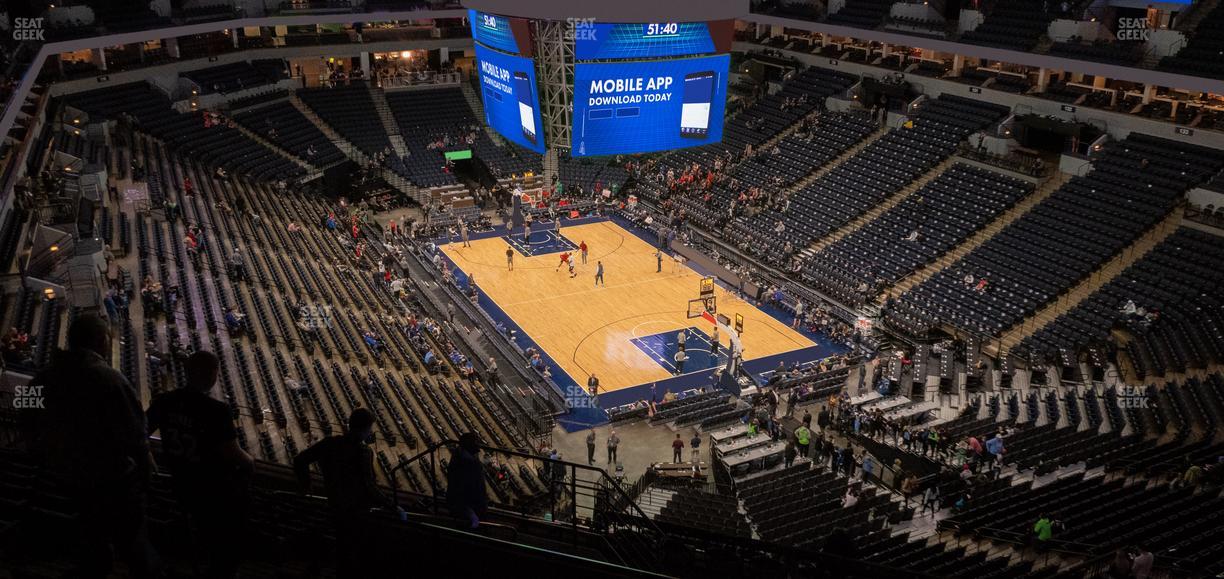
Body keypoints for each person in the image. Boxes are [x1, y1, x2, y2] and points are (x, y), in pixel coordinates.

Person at [23, 314, 160, 579]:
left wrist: (44, 453)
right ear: (101, 341)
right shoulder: (112, 381)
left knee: (92, 538)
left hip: (66, 477)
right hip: (113, 482)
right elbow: (137, 439)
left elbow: (26, 419)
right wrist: (146, 481)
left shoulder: (41, 378)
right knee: (134, 546)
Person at [146, 351, 253, 579]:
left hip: (179, 481)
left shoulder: (165, 401)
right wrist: (250, 461)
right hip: (211, 491)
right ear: (213, 374)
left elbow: (138, 431)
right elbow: (234, 454)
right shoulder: (217, 411)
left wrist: (147, 454)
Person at [294, 408, 394, 579]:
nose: (370, 432)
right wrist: (392, 505)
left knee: (341, 552)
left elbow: (299, 460)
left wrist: (306, 485)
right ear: (364, 429)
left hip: (334, 506)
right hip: (357, 514)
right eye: (369, 429)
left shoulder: (329, 443)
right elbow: (369, 487)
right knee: (354, 556)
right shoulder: (364, 452)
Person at [446, 432, 488, 529]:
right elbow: (462, 489)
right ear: (469, 444)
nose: (478, 444)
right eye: (476, 441)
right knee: (475, 527)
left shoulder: (462, 455)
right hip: (470, 507)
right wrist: (470, 512)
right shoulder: (467, 463)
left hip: (470, 505)